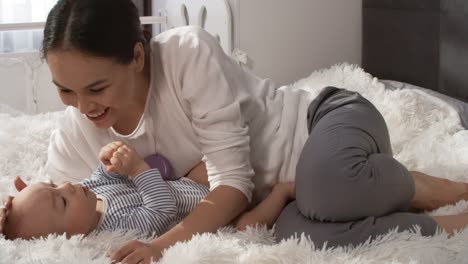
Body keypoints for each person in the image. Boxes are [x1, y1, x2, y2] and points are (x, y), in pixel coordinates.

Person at [2, 0, 468, 262]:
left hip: (325, 121)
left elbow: (233, 184)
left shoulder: (186, 54)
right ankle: (450, 222)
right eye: (64, 90)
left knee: (327, 191)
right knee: (311, 236)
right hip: (287, 194)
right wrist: (13, 213)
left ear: (138, 57)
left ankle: (434, 186)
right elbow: (51, 215)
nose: (83, 108)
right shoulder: (74, 133)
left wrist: (158, 248)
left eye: (96, 87)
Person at [0, 141, 295, 240]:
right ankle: (280, 192)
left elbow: (103, 175)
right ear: (70, 239)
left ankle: (265, 163)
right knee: (246, 226)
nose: (68, 186)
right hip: (215, 219)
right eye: (61, 201)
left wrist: (110, 159)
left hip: (192, 186)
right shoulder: (116, 228)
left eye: (54, 185)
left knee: (217, 163)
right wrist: (139, 170)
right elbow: (160, 210)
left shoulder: (87, 192)